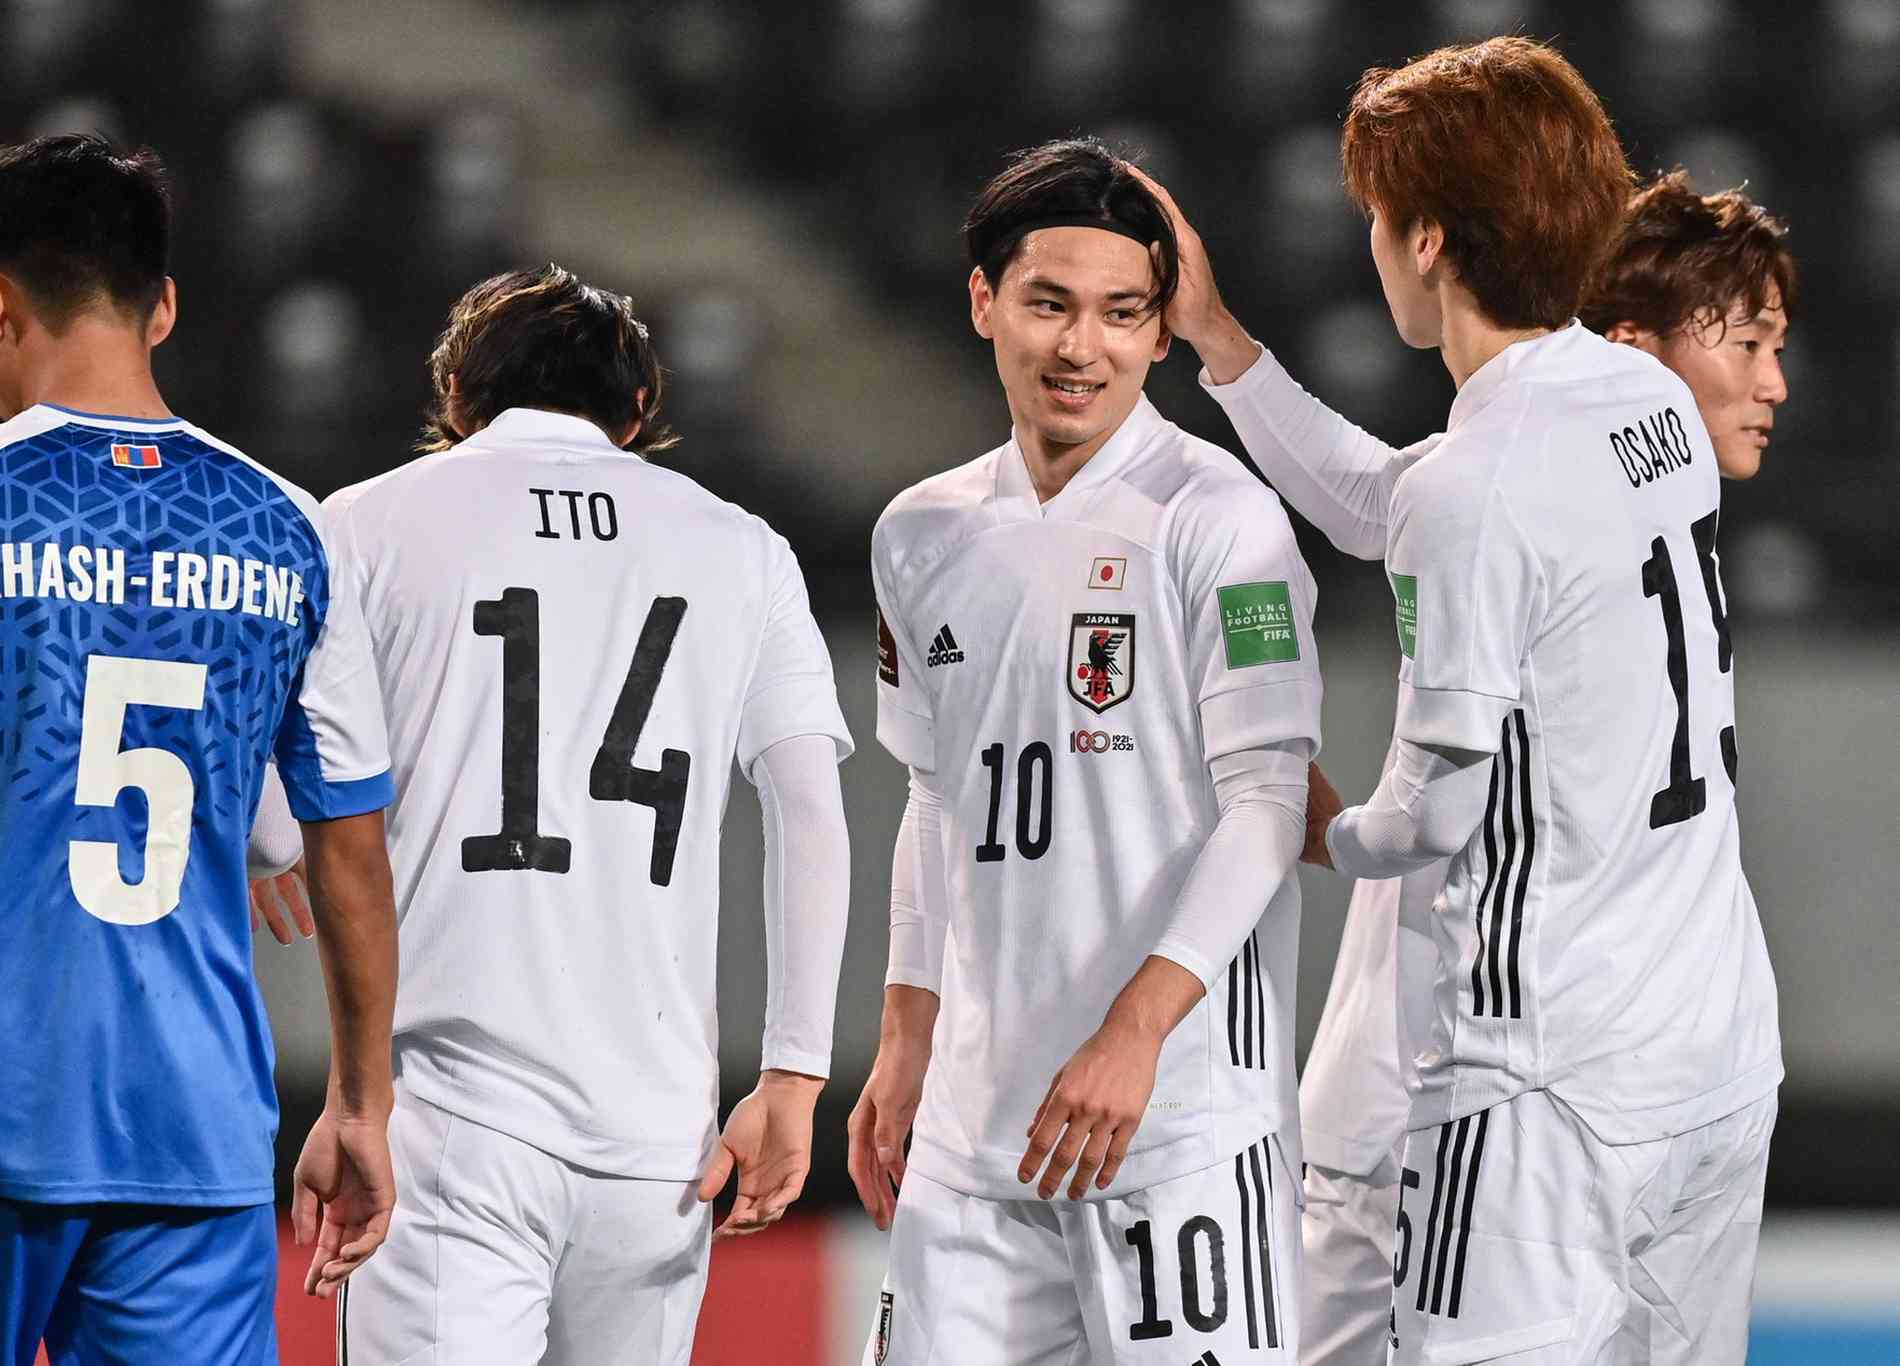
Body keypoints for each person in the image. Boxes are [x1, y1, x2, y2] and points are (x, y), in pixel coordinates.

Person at [1158, 38, 1781, 1363]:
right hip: (1714, 1055)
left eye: (1379, 221)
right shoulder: (1645, 402)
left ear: (1429, 239)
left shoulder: (1482, 478)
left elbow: (1432, 814)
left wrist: (1319, 822)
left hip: (1545, 1095)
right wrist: (1220, 344)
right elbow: (1398, 509)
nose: (1375, 246)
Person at [316, 264, 853, 1365]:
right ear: (638, 412)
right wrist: (795, 1074)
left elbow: (296, 815)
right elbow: (809, 811)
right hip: (658, 1138)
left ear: (456, 399)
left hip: (452, 1114)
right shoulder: (742, 546)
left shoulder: (363, 525)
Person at [848, 137, 1322, 1364]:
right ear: (983, 301)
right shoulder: (919, 534)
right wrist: (904, 1040)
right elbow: (934, 799)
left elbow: (1268, 801)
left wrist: (1134, 1031)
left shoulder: (1224, 520)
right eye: (1048, 304)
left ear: (1162, 332)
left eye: (1122, 314)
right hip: (971, 1138)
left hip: (1176, 1129)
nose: (1080, 347)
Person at [0, 134, 400, 1365]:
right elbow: (347, 855)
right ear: (162, 305)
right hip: (193, 1127)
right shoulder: (290, 529)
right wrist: (359, 1105)